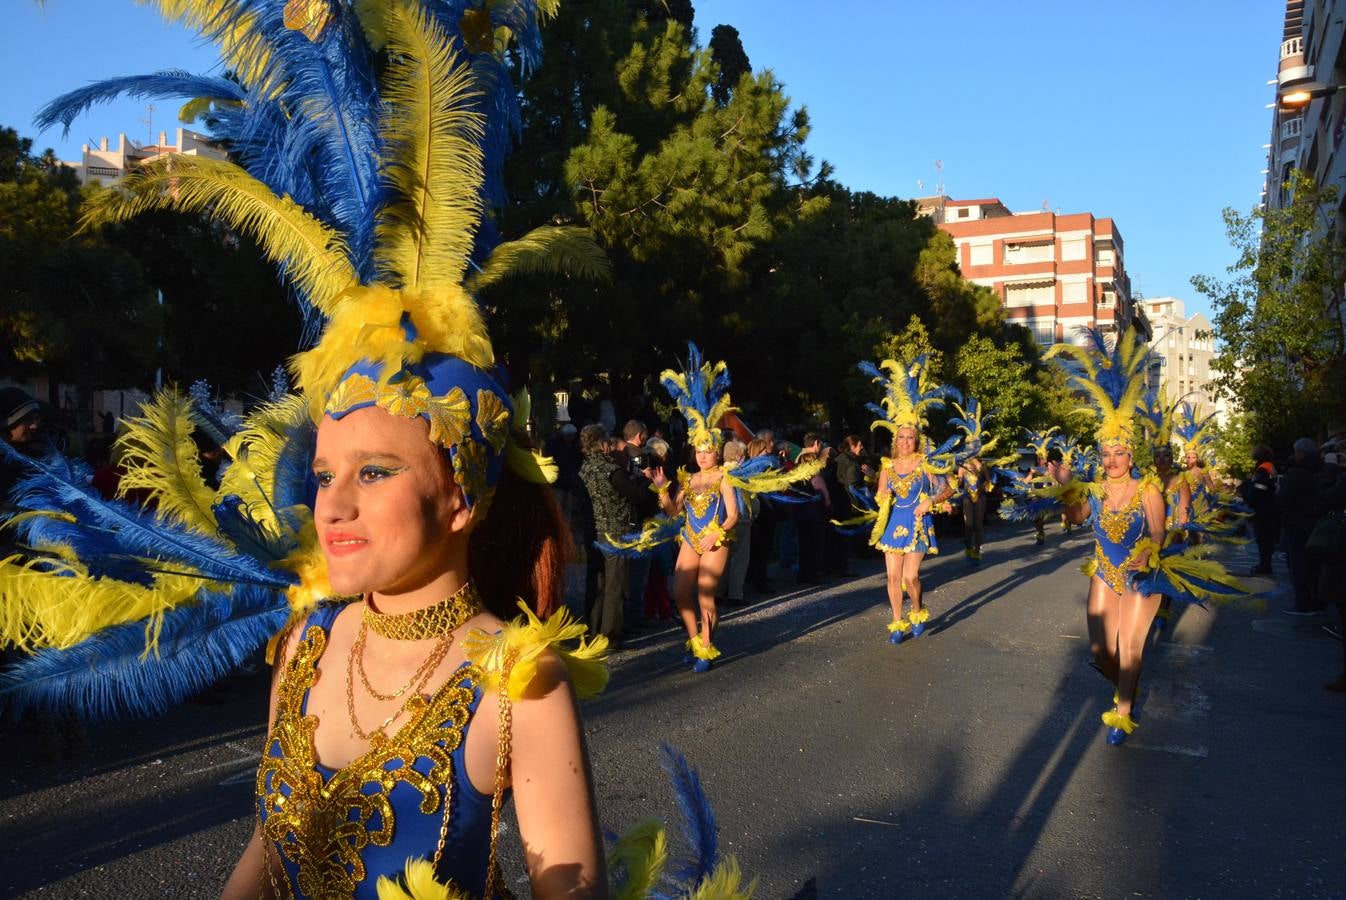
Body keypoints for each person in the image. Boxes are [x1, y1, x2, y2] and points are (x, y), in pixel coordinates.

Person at [6, 6, 612, 895]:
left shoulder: (521, 679)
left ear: (461, 496)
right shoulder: (307, 643)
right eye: (327, 473)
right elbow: (269, 845)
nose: (331, 504)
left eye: (375, 472)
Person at [858, 356, 956, 645]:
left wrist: (932, 502)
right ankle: (896, 621)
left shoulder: (925, 463)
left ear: (917, 441)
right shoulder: (887, 467)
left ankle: (917, 608)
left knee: (910, 578)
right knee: (892, 577)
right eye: (901, 437)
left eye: (910, 438)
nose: (905, 442)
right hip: (893, 523)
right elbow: (880, 494)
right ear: (895, 440)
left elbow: (948, 488)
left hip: (918, 522)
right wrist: (882, 496)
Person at [579, 426, 634, 643]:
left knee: (597, 582)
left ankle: (593, 630)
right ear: (603, 444)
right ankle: (610, 633)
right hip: (615, 531)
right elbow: (635, 494)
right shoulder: (612, 470)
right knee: (615, 584)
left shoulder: (583, 469)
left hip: (592, 530)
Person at [1278, 437, 1325, 616]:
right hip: (1318, 523)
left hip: (1297, 523)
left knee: (1299, 564)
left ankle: (1303, 602)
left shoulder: (1296, 473)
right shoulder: (1323, 470)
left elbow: (1283, 499)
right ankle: (1318, 600)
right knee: (1315, 564)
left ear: (1300, 453)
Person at [1244, 445, 1279, 575]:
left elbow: (1259, 488)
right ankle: (1265, 564)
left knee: (1263, 539)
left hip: (1263, 509)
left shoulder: (1263, 468)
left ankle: (1265, 566)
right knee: (1266, 539)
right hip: (1269, 507)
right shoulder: (1269, 466)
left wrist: (1249, 492)